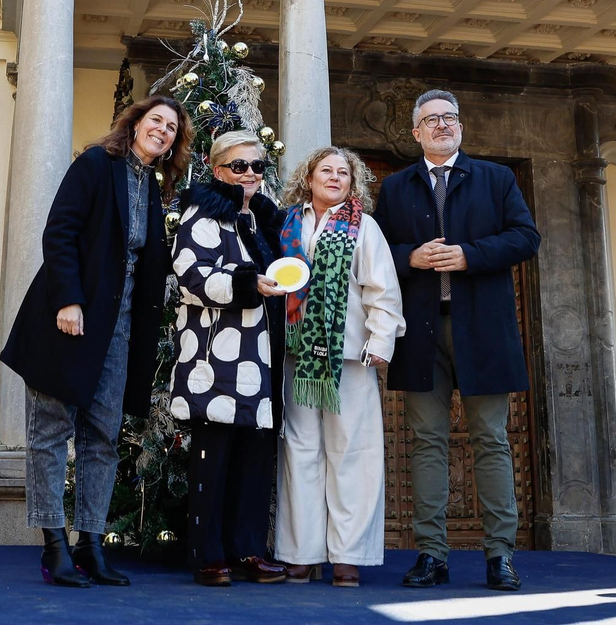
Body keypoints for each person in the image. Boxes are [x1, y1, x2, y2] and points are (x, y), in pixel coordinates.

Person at [0, 95, 192, 587]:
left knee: (103, 436)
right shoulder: (95, 163)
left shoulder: (151, 185)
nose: (163, 130)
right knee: (50, 432)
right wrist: (68, 299)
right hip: (70, 318)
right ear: (136, 122)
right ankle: (54, 546)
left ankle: (90, 543)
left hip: (119, 327)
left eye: (172, 127)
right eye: (156, 120)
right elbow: (60, 232)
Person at [372, 89, 539, 593]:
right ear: (416, 132)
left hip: (483, 328)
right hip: (420, 331)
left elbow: (525, 237)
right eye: (431, 120)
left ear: (461, 127)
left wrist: (470, 255)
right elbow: (376, 250)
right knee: (427, 442)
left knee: (491, 438)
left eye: (449, 117)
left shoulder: (496, 178)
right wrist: (409, 258)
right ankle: (431, 554)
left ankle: (500, 555)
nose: (442, 125)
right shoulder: (395, 187)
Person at [273, 146, 403, 588]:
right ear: (308, 179)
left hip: (348, 356)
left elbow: (382, 289)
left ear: (353, 182)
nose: (334, 177)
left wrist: (380, 342)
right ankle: (301, 553)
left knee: (352, 453)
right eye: (325, 170)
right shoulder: (287, 224)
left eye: (343, 172)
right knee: (300, 452)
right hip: (296, 355)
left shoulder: (363, 226)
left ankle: (348, 556)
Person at [169, 131, 288, 587]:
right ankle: (208, 555)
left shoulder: (261, 218)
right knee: (213, 458)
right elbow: (191, 277)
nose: (250, 174)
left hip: (261, 356)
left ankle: (248, 550)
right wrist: (246, 283)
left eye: (257, 166)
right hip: (216, 357)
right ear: (217, 170)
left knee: (254, 457)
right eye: (239, 166)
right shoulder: (203, 214)